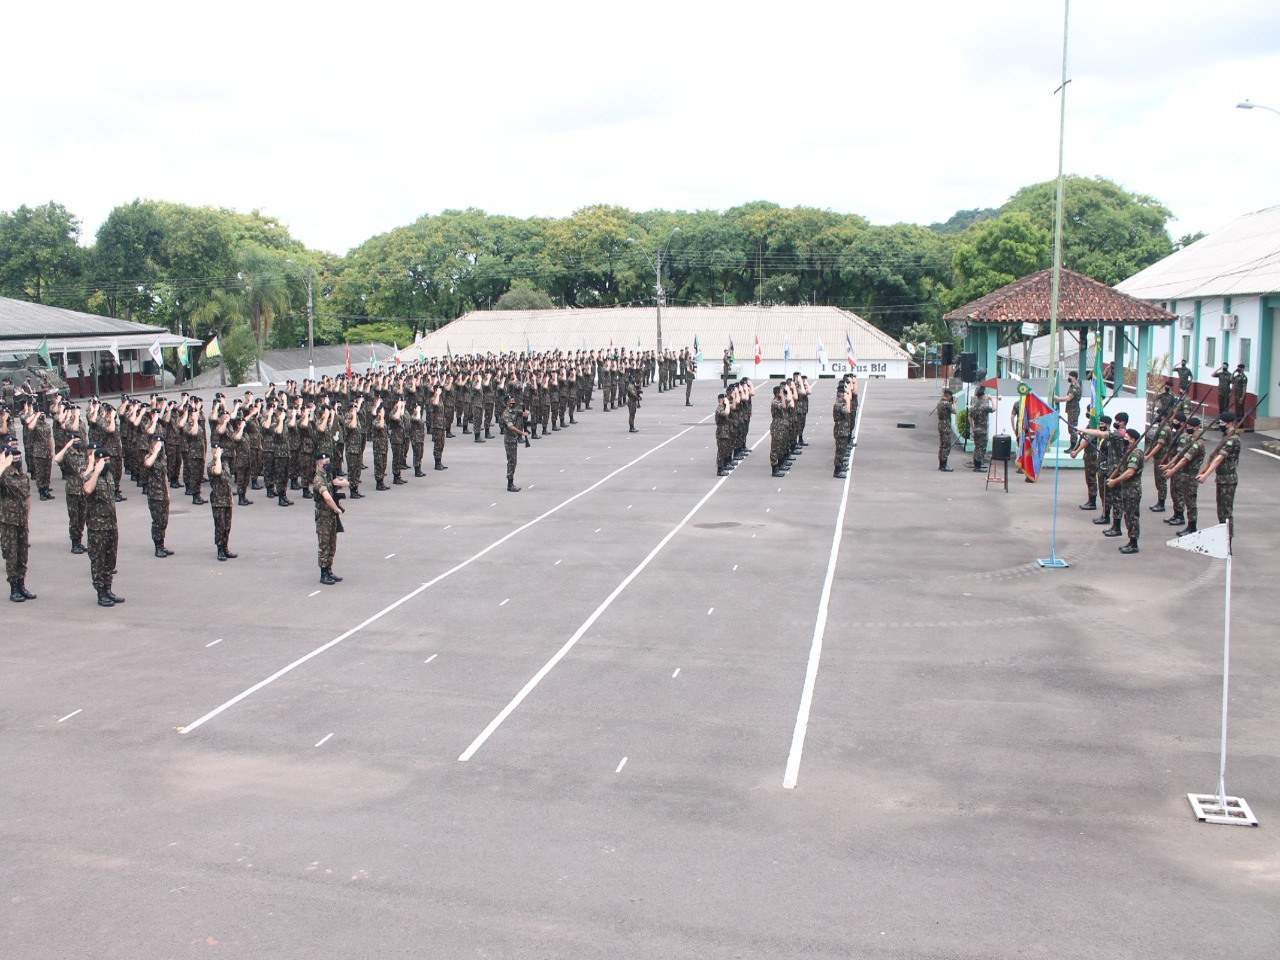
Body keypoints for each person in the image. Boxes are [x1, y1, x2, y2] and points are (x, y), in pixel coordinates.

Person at [81, 443, 123, 606]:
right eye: (104, 460)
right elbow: (87, 489)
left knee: (110, 560)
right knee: (98, 560)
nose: (107, 463)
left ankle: (108, 589)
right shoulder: (90, 475)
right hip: (97, 528)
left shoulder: (109, 476)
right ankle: (100, 592)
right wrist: (96, 471)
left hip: (111, 525)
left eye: (108, 460)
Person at [0, 437, 36, 602]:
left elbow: (27, 496)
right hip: (9, 521)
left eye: (19, 458)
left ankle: (22, 585)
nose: (17, 461)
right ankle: (13, 587)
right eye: (14, 459)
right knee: (12, 555)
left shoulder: (23, 477)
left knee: (23, 555)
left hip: (22, 520)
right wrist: (4, 462)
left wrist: (27, 518)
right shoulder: (5, 476)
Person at [1198, 410, 1241, 544]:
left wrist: (1205, 475)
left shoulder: (1232, 440)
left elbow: (1219, 459)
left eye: (1222, 423)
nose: (1220, 425)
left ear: (1229, 424)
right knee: (1221, 511)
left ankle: (1228, 542)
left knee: (1226, 512)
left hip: (1228, 480)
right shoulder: (1226, 437)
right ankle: (1223, 537)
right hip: (1222, 479)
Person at [1163, 417, 1205, 536]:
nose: (1188, 428)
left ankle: (1192, 527)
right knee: (1186, 499)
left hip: (1191, 476)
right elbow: (1179, 454)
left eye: (1191, 427)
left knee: (1191, 502)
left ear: (1196, 427)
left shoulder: (1198, 443)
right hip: (1184, 474)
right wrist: (1169, 465)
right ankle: (1187, 524)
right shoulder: (1189, 439)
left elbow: (1185, 459)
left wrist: (1172, 470)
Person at [1104, 427, 1144, 553]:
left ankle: (1134, 543)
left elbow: (1129, 473)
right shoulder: (1130, 452)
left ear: (1133, 439)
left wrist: (1115, 481)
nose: (1124, 439)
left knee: (1132, 516)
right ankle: (1131, 541)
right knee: (1128, 516)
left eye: (1126, 437)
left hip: (1133, 490)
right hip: (1127, 490)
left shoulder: (1136, 454)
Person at [313, 452, 348, 585]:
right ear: (319, 464)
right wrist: (336, 509)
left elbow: (339, 482)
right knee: (324, 544)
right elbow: (327, 497)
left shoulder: (327, 476)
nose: (327, 465)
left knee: (332, 544)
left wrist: (342, 482)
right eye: (325, 463)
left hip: (331, 517)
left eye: (328, 462)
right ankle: (324, 573)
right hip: (323, 517)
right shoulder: (318, 479)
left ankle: (330, 570)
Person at [142, 431, 174, 557]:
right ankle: (157, 546)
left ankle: (162, 544)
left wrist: (168, 493)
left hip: (163, 494)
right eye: (158, 443)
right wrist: (155, 451)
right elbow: (148, 464)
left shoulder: (162, 458)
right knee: (157, 521)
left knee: (164, 521)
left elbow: (165, 476)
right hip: (155, 495)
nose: (161, 446)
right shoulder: (149, 456)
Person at [207, 442, 236, 561]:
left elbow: (228, 481)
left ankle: (225, 547)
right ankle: (220, 549)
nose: (217, 451)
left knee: (227, 526)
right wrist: (217, 457)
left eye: (218, 450)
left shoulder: (225, 464)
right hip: (218, 500)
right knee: (220, 526)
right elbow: (217, 472)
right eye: (215, 450)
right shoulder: (211, 465)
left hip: (227, 499)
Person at [500, 395, 528, 492]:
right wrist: (522, 433)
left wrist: (525, 413)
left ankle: (511, 482)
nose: (513, 403)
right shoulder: (505, 414)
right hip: (509, 440)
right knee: (511, 462)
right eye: (511, 401)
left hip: (513, 440)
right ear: (507, 402)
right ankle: (510, 484)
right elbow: (511, 427)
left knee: (514, 462)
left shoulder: (513, 411)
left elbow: (522, 413)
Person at [968, 386, 994, 471]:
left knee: (976, 447)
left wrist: (972, 427)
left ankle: (976, 464)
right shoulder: (984, 406)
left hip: (976, 429)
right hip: (983, 430)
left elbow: (969, 416)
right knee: (981, 447)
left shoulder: (974, 406)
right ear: (982, 396)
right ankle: (978, 466)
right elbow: (994, 409)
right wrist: (992, 399)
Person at [936, 388, 956, 471]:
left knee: (942, 445)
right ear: (949, 396)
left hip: (941, 424)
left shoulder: (939, 403)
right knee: (946, 445)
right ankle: (944, 465)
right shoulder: (947, 404)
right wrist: (954, 403)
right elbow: (955, 411)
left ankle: (941, 463)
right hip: (946, 426)